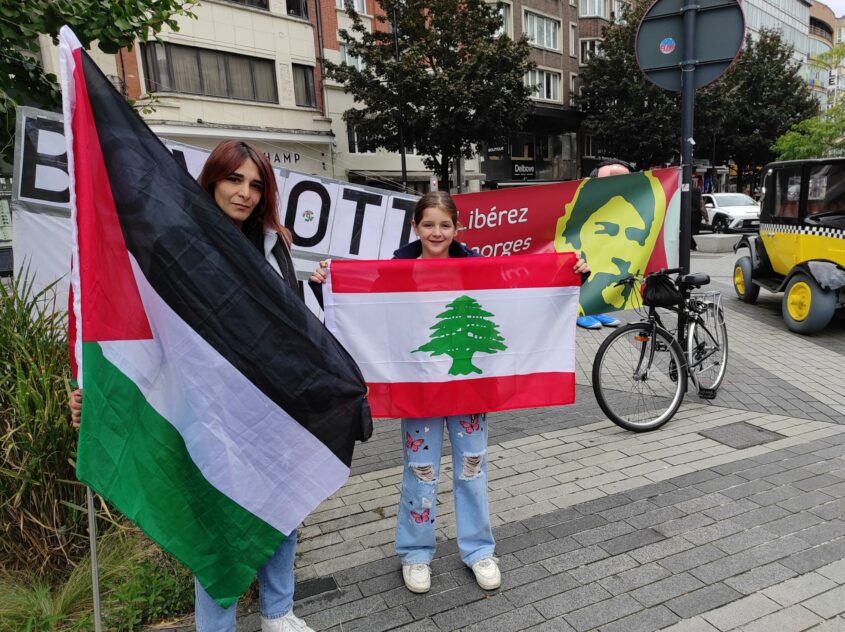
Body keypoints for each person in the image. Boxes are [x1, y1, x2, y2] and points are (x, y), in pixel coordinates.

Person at [69, 140, 311, 632]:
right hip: (208, 409)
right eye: (234, 179)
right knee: (215, 525)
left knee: (284, 507)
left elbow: (295, 324)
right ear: (213, 181)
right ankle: (215, 626)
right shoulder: (175, 243)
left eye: (256, 184)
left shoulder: (274, 244)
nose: (244, 193)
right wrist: (100, 395)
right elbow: (148, 332)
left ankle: (278, 612)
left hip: (270, 408)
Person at [309, 191, 589, 594]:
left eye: (444, 225)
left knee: (472, 467)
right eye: (428, 224)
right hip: (419, 391)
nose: (436, 232)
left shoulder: (475, 267)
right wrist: (326, 286)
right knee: (419, 472)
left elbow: (523, 291)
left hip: (469, 389)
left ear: (457, 228)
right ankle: (415, 552)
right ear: (415, 227)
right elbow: (359, 307)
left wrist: (574, 273)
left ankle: (478, 550)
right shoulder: (395, 270)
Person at [575, 158, 632, 330]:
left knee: (601, 271)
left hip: (605, 243)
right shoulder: (587, 197)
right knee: (583, 270)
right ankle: (580, 311)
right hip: (584, 241)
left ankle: (595, 308)